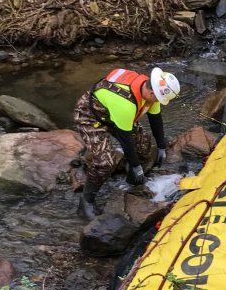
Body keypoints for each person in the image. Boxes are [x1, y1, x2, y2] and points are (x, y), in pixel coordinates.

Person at [74, 67, 180, 220]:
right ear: (152, 93)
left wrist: (162, 146)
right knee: (105, 162)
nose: (158, 102)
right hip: (91, 117)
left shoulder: (151, 88)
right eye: (158, 99)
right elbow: (125, 138)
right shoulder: (126, 104)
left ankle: (131, 177)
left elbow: (155, 119)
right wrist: (136, 165)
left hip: (113, 114)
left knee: (143, 144)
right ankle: (86, 201)